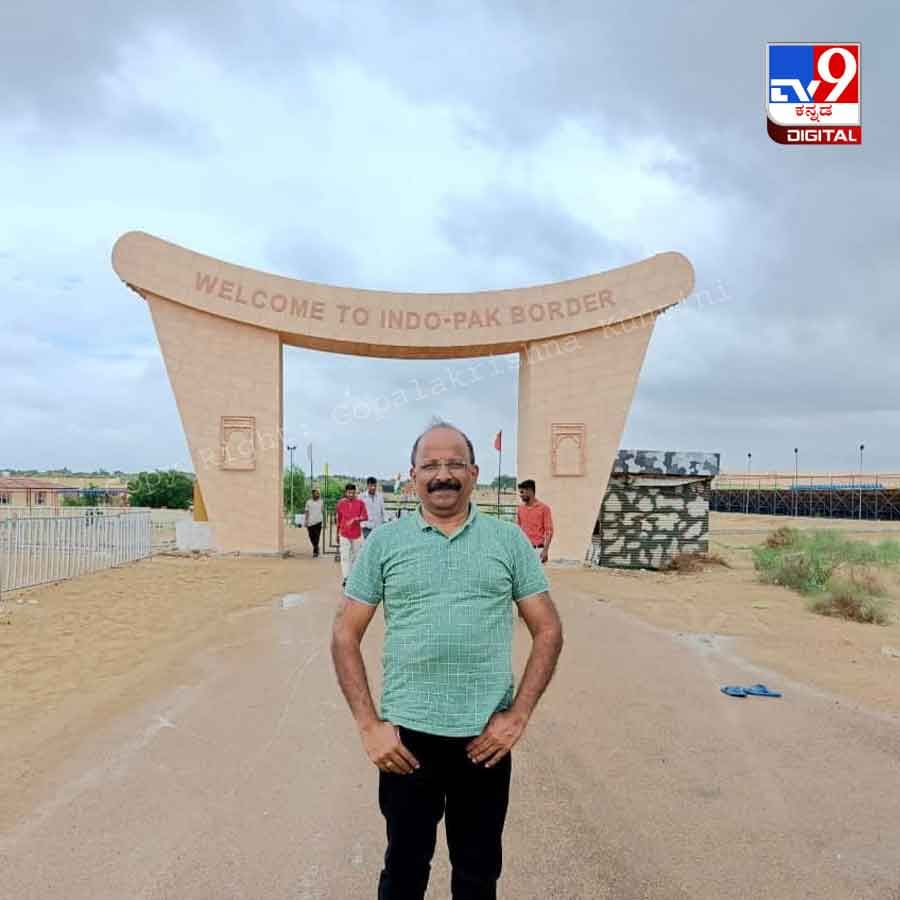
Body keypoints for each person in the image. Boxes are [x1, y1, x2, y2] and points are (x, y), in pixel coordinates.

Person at [331, 420, 564, 900]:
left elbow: (548, 629)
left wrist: (517, 716)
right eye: (431, 465)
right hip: (406, 742)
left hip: (485, 740)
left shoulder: (508, 543)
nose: (443, 474)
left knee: (478, 874)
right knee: (404, 869)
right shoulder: (385, 544)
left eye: (455, 463)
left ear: (475, 473)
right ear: (412, 475)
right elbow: (344, 635)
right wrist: (369, 725)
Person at [335, 483, 367, 587]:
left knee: (356, 557)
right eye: (349, 492)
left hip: (357, 534)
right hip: (344, 533)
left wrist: (355, 519)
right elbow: (339, 519)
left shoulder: (360, 503)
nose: (351, 494)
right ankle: (346, 578)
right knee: (345, 556)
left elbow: (365, 516)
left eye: (353, 492)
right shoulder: (340, 503)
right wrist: (337, 533)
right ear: (345, 493)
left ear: (355, 492)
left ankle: (353, 577)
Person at [516, 479, 554, 564]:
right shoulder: (520, 509)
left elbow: (549, 531)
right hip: (523, 550)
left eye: (522, 492)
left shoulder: (544, 508)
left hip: (537, 551)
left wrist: (545, 550)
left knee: (536, 577)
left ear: (530, 491)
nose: (520, 495)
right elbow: (517, 530)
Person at [304, 488, 324, 558]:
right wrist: (306, 521)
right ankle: (316, 547)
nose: (318, 494)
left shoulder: (321, 501)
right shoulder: (308, 502)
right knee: (311, 536)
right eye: (316, 493)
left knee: (317, 536)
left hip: (319, 521)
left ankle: (315, 551)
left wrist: (324, 521)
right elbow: (306, 512)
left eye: (318, 493)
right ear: (313, 494)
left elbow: (322, 511)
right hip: (310, 522)